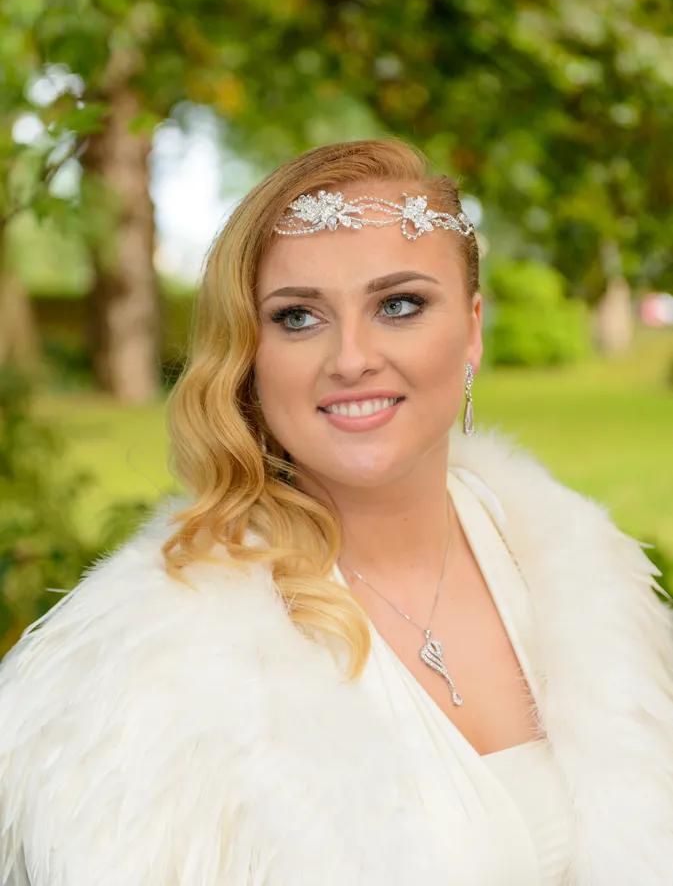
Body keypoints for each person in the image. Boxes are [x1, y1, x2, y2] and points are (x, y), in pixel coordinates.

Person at [1, 139, 672, 886]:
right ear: (249, 356)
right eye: (297, 318)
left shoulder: (574, 571)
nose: (350, 357)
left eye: (398, 305)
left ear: (473, 328)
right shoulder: (158, 664)